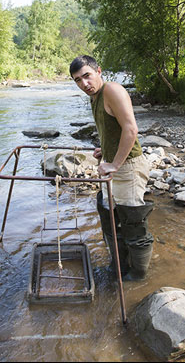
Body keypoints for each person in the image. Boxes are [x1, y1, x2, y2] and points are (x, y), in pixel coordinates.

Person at [70, 55, 153, 281]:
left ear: (98, 71)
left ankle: (138, 278)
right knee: (111, 219)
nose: (84, 84)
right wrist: (104, 150)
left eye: (87, 76)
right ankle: (119, 267)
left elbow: (130, 129)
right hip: (114, 166)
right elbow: (113, 129)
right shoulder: (95, 97)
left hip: (128, 167)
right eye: (78, 80)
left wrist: (114, 163)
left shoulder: (112, 90)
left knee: (134, 224)